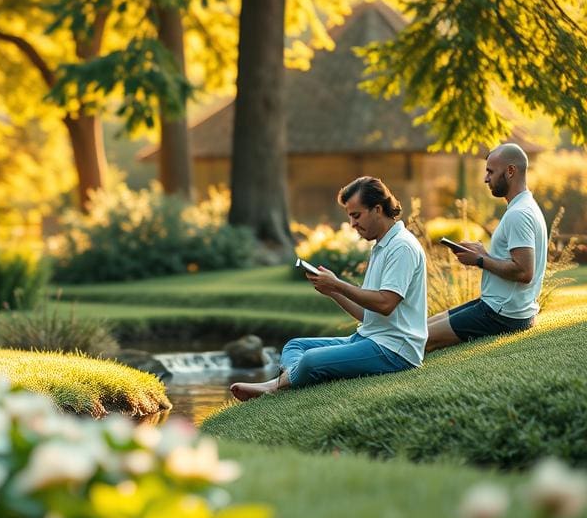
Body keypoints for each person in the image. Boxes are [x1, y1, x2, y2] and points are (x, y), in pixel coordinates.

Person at [230, 176, 426, 400]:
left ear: (378, 209)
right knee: (295, 346)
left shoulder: (401, 247)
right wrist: (333, 291)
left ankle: (274, 385)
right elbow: (368, 314)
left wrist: (338, 284)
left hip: (394, 351)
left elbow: (385, 303)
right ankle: (297, 375)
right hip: (370, 339)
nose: (352, 224)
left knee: (311, 360)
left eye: (356, 215)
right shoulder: (382, 245)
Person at [425, 143, 547, 352]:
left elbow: (524, 271)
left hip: (503, 315)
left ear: (510, 171)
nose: (485, 178)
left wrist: (480, 260)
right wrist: (481, 252)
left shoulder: (519, 213)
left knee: (418, 338)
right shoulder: (524, 206)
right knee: (422, 326)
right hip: (498, 307)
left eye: (491, 171)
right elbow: (514, 260)